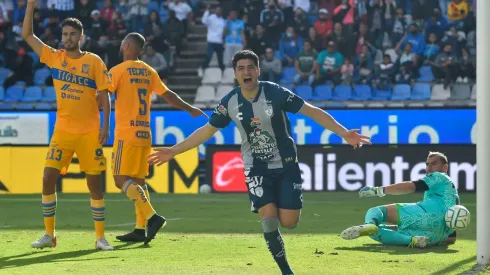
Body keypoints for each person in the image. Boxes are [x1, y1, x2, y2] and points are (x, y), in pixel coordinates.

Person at [147, 50, 371, 275]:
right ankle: (286, 270)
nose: (247, 72)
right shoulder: (230, 102)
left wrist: (344, 133)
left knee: (290, 222)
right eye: (241, 68)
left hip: (286, 164)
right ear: (235, 74)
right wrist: (173, 151)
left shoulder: (275, 92)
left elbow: (312, 111)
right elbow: (206, 131)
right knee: (269, 221)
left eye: (250, 67)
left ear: (258, 71)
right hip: (255, 167)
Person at [22, 0, 113, 250]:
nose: (68, 38)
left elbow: (104, 96)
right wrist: (31, 6)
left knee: (94, 185)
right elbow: (27, 35)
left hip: (89, 132)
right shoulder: (54, 57)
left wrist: (105, 127)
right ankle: (49, 236)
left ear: (81, 36)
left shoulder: (94, 62)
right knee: (47, 178)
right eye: (64, 34)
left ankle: (100, 237)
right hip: (62, 131)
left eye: (73, 34)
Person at [109, 32, 206, 244]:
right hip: (144, 134)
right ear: (140, 50)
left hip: (126, 134)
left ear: (125, 46)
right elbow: (168, 95)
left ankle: (152, 217)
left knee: (119, 178)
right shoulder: (148, 71)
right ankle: (139, 228)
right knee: (139, 181)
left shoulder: (117, 71)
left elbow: (103, 93)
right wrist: (189, 108)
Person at [341, 151, 459, 248]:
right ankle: (412, 240)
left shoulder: (439, 176)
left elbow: (412, 186)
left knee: (377, 212)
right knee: (376, 232)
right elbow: (451, 238)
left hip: (425, 213)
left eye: (434, 164)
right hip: (436, 236)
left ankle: (370, 224)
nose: (429, 168)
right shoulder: (454, 197)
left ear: (445, 167)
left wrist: (379, 190)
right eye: (427, 164)